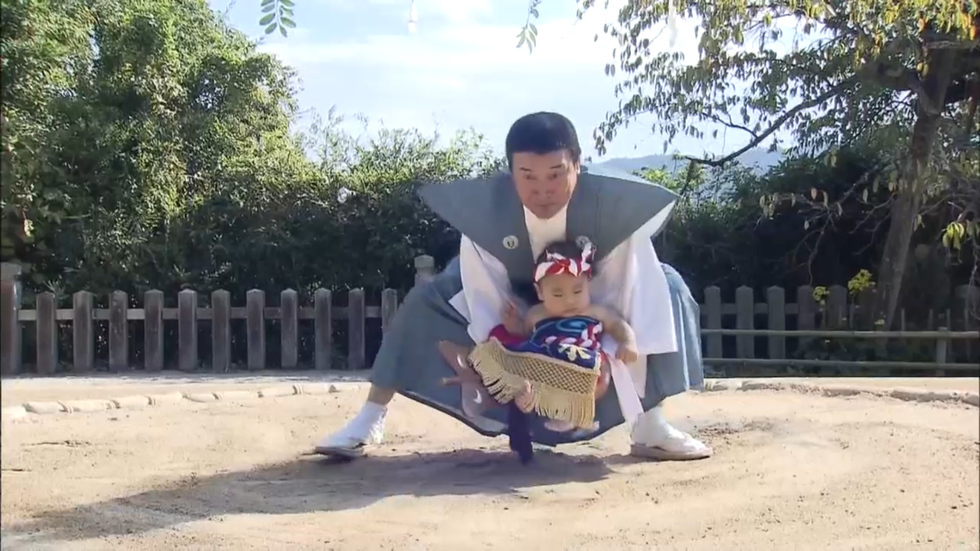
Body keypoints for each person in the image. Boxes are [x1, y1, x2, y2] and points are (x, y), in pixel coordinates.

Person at [314, 111, 712, 461]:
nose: (542, 190)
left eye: (556, 175)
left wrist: (598, 351)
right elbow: (483, 291)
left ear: (578, 163)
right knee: (424, 300)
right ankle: (369, 418)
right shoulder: (487, 216)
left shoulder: (612, 211)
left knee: (669, 285)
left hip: (583, 301)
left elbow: (621, 292)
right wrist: (508, 356)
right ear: (510, 172)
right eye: (528, 177)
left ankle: (649, 423)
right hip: (512, 296)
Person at [440, 239, 632, 434]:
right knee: (508, 356)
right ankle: (492, 378)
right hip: (543, 362)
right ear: (540, 292)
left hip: (580, 362)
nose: (569, 300)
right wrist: (513, 325)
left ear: (587, 285)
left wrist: (627, 341)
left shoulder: (594, 311)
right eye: (557, 294)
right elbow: (524, 336)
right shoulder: (536, 314)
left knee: (601, 373)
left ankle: (571, 412)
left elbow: (617, 325)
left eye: (578, 290)